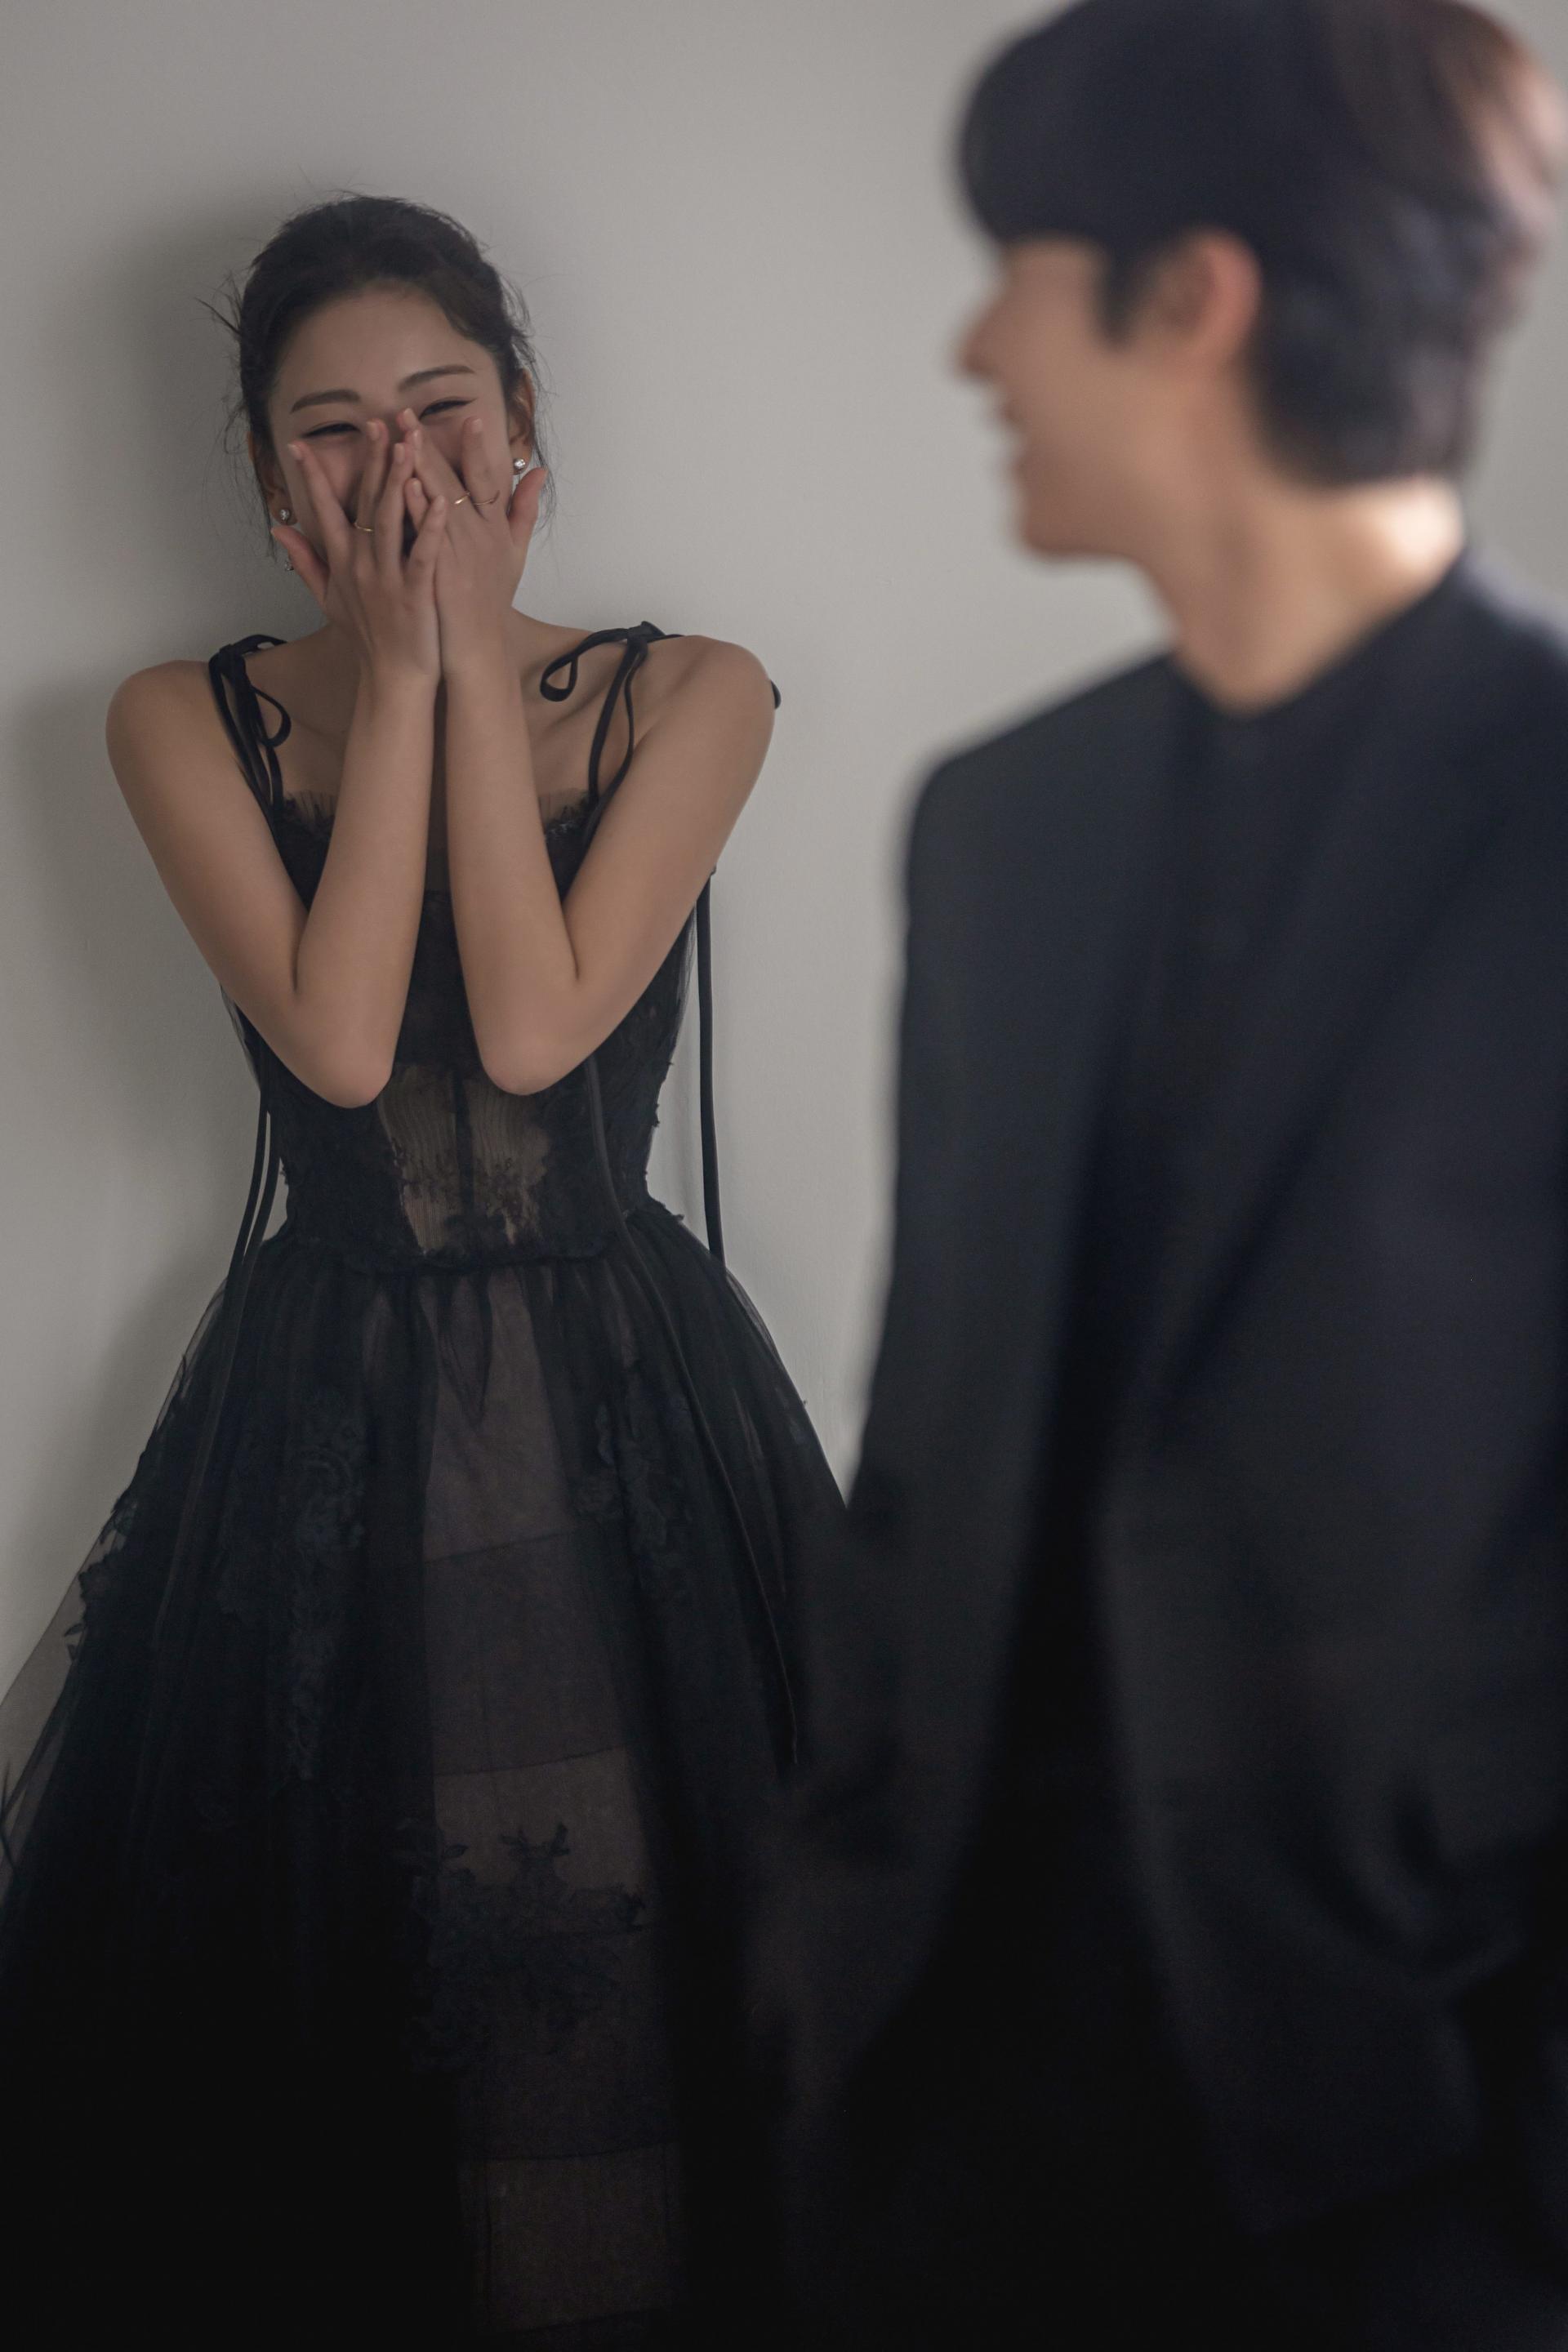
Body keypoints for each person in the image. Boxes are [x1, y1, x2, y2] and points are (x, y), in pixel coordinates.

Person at [760, 3, 1568, 2345]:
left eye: (1018, 271)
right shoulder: (1001, 828)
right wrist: (835, 1934)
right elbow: (923, 1444)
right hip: (957, 2104)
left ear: (1192, 299)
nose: (977, 347)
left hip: (1417, 2152)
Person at [0, 193, 840, 2345]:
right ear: (269, 479)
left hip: (630, 1399)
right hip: (333, 1408)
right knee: (352, 1984)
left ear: (523, 421)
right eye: (335, 429)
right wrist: (403, 676)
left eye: (440, 408)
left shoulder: (695, 691)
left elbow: (539, 1028)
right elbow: (349, 1045)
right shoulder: (177, 721)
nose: (399, 469)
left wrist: (465, 665)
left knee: (647, 1977)